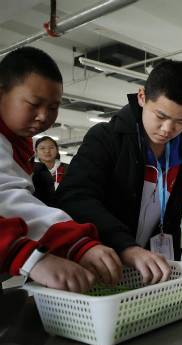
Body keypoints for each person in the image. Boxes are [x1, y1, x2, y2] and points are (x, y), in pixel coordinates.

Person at [57, 60, 182, 284]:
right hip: (98, 265)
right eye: (161, 116)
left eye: (181, 121)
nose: (167, 130)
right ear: (142, 97)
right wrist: (125, 246)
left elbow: (171, 219)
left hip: (148, 269)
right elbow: (75, 197)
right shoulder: (106, 139)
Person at [0, 46, 121, 292]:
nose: (43, 116)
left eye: (54, 107)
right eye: (34, 104)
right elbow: (7, 200)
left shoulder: (16, 141)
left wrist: (71, 243)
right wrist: (32, 255)